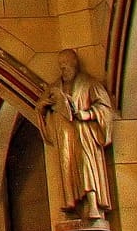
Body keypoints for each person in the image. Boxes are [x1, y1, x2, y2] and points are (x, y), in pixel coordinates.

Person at [41, 50, 115, 220]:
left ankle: (93, 204)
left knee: (87, 165)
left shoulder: (89, 83)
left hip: (84, 133)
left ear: (74, 63)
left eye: (66, 64)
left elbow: (105, 108)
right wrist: (44, 106)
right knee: (66, 166)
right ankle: (71, 203)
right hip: (64, 134)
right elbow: (40, 106)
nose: (63, 68)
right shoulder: (55, 87)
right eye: (61, 65)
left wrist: (87, 114)